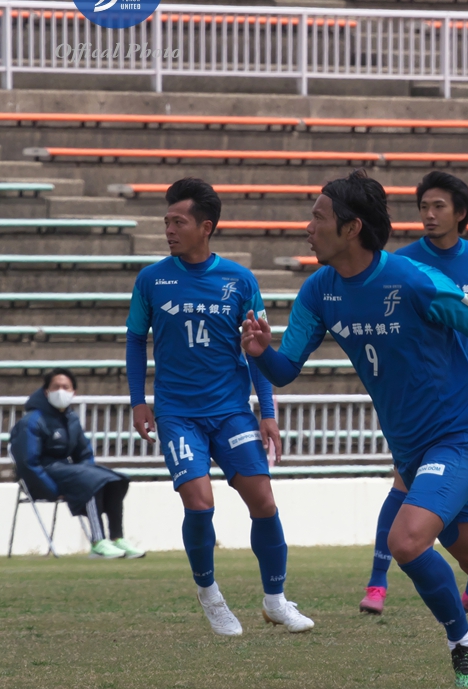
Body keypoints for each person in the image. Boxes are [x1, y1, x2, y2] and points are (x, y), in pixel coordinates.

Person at [243, 169, 468, 688]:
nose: (308, 227)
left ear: (352, 228)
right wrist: (260, 353)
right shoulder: (320, 291)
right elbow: (284, 370)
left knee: (406, 541)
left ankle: (462, 645)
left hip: (459, 437)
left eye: (318, 217)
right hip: (411, 449)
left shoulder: (413, 280)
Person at [125, 177, 313, 637]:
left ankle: (275, 601)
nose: (169, 230)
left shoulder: (239, 280)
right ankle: (210, 595)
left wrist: (267, 412)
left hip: (231, 411)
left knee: (263, 501)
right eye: (166, 221)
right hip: (177, 413)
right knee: (199, 501)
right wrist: (138, 402)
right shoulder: (151, 280)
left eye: (178, 222)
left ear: (205, 227)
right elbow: (134, 340)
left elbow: (257, 349)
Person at [359, 170, 468, 617]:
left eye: (438, 206)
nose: (428, 214)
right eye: (423, 206)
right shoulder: (404, 262)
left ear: (460, 213)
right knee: (404, 482)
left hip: (467, 396)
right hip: (422, 399)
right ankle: (377, 583)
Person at [9, 368, 143, 559]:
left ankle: (117, 538)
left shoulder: (71, 419)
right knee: (91, 482)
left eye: (66, 387)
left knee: (114, 480)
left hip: (66, 472)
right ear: (46, 391)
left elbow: (84, 453)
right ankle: (98, 542)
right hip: (42, 478)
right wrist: (51, 489)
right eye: (56, 387)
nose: (61, 391)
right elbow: (28, 463)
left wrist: (88, 471)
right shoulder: (32, 421)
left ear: (74, 392)